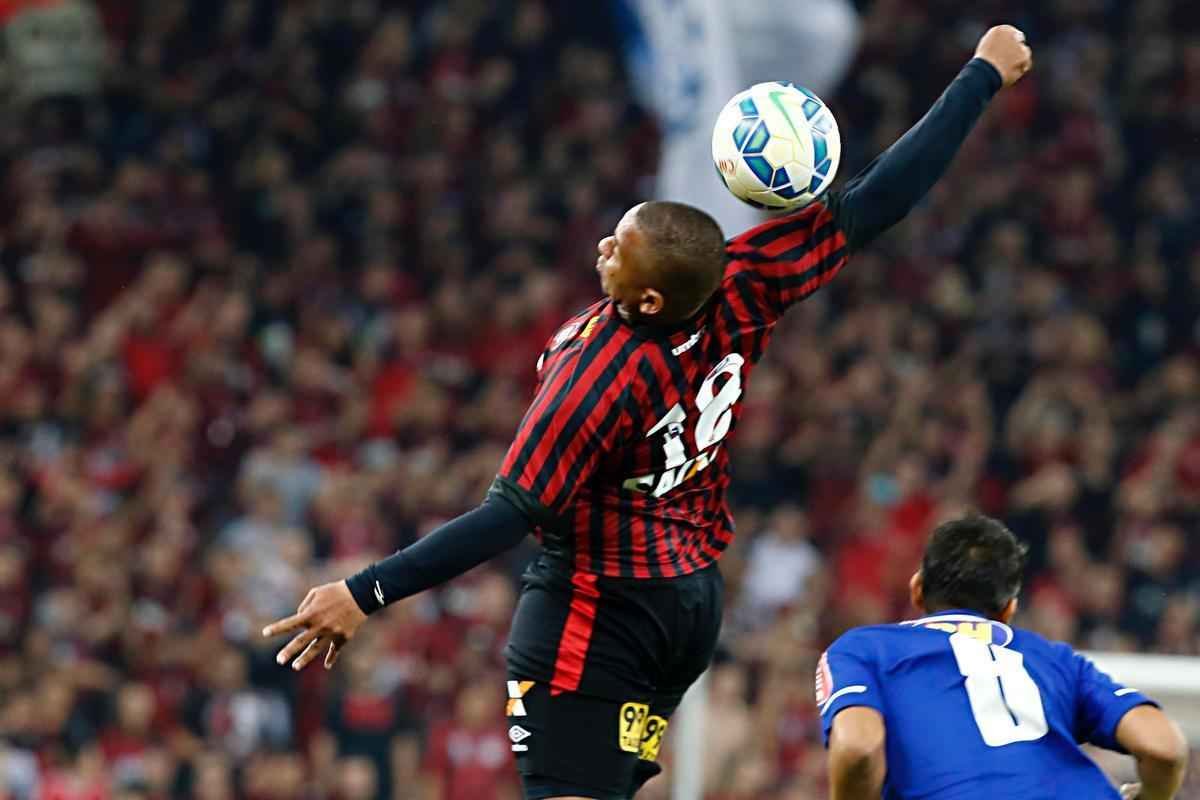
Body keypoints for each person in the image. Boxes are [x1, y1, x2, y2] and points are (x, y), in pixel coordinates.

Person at [263, 26, 1034, 800]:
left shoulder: (596, 378)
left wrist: (366, 592)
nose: (603, 247)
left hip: (599, 609)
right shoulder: (743, 285)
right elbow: (878, 199)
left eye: (617, 251)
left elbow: (508, 515)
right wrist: (980, 74)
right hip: (690, 602)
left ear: (649, 297)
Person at [819, 514, 1189, 800]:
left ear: (917, 589)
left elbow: (858, 749)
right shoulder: (1056, 658)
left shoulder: (864, 649)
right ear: (1009, 609)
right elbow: (1164, 748)